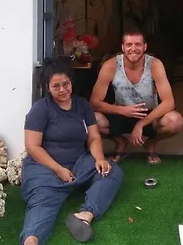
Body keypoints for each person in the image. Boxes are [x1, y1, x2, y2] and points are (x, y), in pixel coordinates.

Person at [19, 58, 123, 245]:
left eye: (65, 84)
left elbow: (93, 137)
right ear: (47, 87)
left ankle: (85, 215)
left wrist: (100, 159)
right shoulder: (40, 109)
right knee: (43, 200)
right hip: (45, 168)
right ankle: (31, 239)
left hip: (78, 163)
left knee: (110, 171)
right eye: (56, 86)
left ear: (71, 82)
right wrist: (58, 170)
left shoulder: (82, 105)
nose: (62, 90)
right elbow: (32, 146)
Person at [90, 30, 183, 165]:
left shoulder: (155, 64)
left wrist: (141, 123)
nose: (133, 49)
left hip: (148, 114)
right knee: (92, 120)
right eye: (129, 45)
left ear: (145, 47)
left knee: (175, 121)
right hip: (120, 113)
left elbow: (169, 102)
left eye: (138, 44)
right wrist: (123, 110)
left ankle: (151, 143)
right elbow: (94, 103)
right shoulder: (111, 65)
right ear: (123, 47)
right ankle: (120, 141)